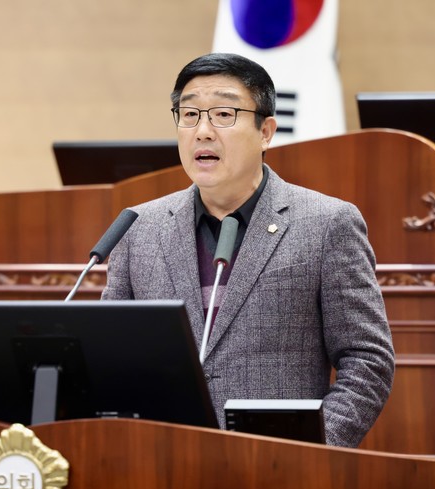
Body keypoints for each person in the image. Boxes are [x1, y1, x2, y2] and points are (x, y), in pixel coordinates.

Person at [101, 53, 394, 448]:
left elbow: (367, 360)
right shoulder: (138, 228)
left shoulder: (327, 223)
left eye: (224, 114)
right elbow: (111, 357)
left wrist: (315, 449)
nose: (202, 131)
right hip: (164, 464)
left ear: (266, 131)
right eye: (189, 115)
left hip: (278, 465)